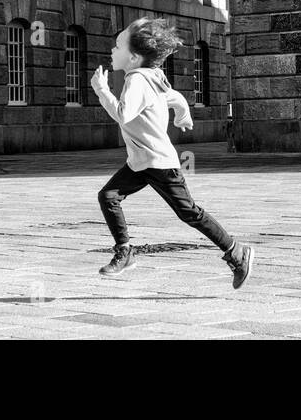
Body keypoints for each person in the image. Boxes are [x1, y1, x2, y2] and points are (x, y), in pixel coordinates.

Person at [89, 17, 253, 288]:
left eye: (117, 47)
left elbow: (123, 114)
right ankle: (125, 251)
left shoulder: (137, 80)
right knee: (108, 196)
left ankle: (236, 252)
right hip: (141, 162)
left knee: (189, 212)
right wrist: (183, 115)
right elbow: (173, 96)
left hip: (159, 162)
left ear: (133, 57)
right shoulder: (153, 75)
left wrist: (102, 91)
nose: (112, 51)